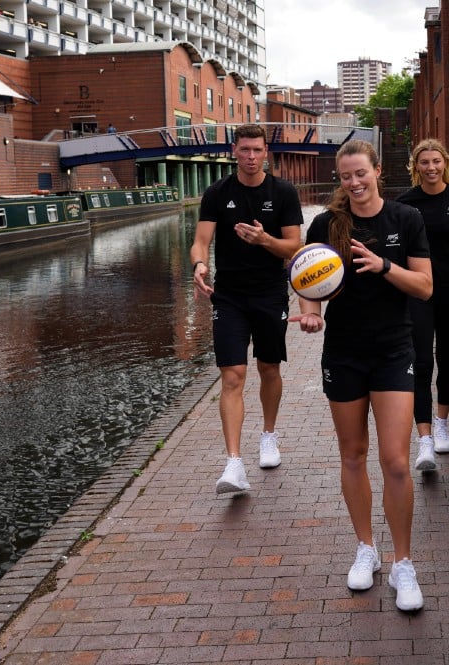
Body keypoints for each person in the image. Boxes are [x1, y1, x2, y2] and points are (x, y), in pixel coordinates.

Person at [291, 139, 432, 611]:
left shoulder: (405, 220)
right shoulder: (326, 224)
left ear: (376, 171)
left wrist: (383, 265)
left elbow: (426, 286)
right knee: (352, 455)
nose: (353, 182)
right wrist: (309, 312)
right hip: (344, 353)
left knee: (395, 460)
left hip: (394, 351)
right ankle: (365, 549)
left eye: (361, 173)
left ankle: (403, 562)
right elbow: (308, 279)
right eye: (346, 176)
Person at [190, 123, 304, 494]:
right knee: (233, 375)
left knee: (269, 367)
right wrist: (199, 266)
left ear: (266, 152)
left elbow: (294, 249)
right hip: (230, 297)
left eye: (257, 150)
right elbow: (200, 241)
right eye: (244, 150)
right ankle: (234, 463)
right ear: (233, 151)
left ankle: (268, 436)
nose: (251, 157)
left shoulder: (283, 192)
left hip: (271, 293)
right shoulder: (217, 193)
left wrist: (264, 239)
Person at [396, 139, 449, 472]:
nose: (431, 168)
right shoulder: (404, 204)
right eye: (424, 163)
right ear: (415, 167)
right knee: (419, 360)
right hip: (417, 293)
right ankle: (425, 439)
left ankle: (441, 422)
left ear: (445, 163)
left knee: (447, 359)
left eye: (436, 162)